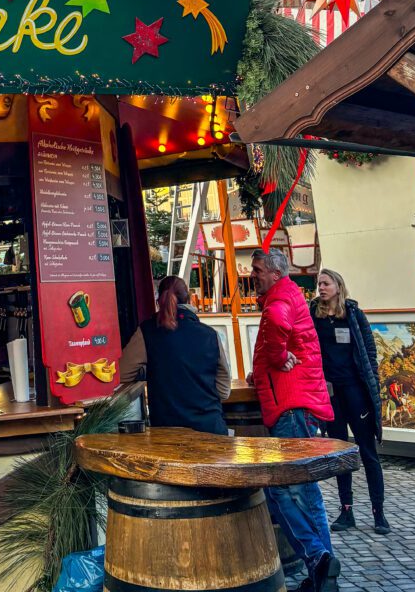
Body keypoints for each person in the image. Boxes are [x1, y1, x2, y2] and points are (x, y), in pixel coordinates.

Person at [249, 248, 339, 592]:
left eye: (257, 269)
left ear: (274, 273)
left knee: (282, 489)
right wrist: (266, 363)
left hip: (291, 405)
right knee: (306, 489)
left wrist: (275, 355)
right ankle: (323, 571)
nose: (253, 274)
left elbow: (278, 322)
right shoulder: (286, 294)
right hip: (298, 402)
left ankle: (316, 556)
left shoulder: (278, 300)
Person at [311, 269, 389, 534]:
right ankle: (346, 511)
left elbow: (369, 351)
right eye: (318, 284)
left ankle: (378, 511)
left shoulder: (354, 314)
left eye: (325, 283)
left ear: (338, 285)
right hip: (331, 393)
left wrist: (372, 385)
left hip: (356, 390)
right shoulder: (314, 315)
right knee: (339, 451)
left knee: (367, 451)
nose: (321, 288)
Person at [120, 275, 230, 432]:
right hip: (211, 431)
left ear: (159, 301)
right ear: (190, 299)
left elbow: (122, 373)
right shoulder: (210, 335)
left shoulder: (147, 332)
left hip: (169, 435)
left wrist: (149, 370)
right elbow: (224, 391)